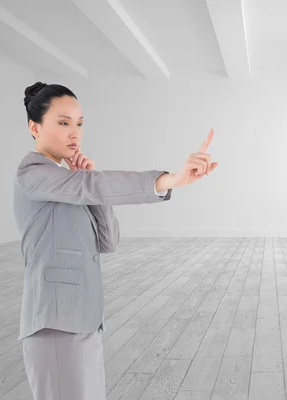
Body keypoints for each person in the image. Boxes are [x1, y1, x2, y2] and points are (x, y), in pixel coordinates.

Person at [14, 81, 218, 399]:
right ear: (34, 127)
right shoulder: (33, 174)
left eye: (79, 124)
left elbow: (108, 241)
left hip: (83, 319)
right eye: (63, 123)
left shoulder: (70, 181)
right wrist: (169, 180)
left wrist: (88, 179)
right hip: (54, 324)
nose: (75, 133)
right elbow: (92, 187)